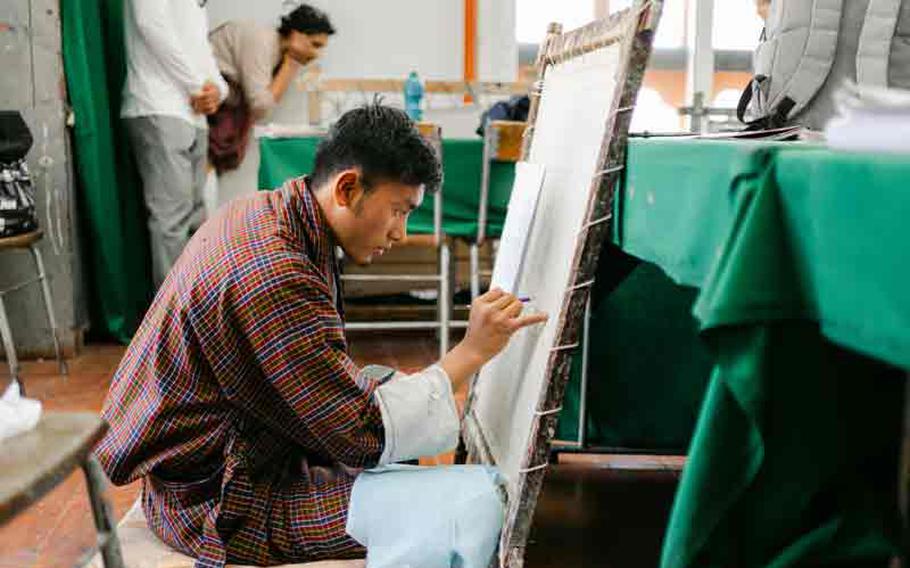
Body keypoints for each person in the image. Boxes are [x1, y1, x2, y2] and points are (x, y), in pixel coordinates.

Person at [95, 104, 548, 567]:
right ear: (348, 188)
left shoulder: (267, 211)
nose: (400, 232)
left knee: (387, 390)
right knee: (473, 504)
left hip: (230, 455)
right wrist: (471, 352)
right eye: (397, 211)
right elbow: (361, 436)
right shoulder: (274, 272)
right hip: (223, 503)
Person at [121, 0, 228, 287]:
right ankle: (174, 323)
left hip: (194, 116)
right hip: (158, 105)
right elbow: (151, 25)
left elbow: (202, 51)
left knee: (196, 218)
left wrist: (218, 90)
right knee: (172, 221)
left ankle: (194, 313)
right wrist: (196, 86)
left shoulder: (197, 5)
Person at [206, 5, 334, 172]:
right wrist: (291, 64)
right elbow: (260, 106)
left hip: (216, 110)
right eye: (314, 45)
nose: (317, 54)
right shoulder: (262, 41)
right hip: (203, 104)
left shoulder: (275, 53)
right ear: (296, 34)